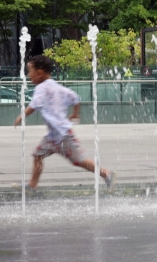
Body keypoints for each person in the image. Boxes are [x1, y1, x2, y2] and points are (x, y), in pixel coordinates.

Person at [14, 55, 115, 192]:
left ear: (39, 73)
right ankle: (32, 185)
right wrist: (75, 113)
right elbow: (75, 97)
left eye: (30, 72)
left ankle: (106, 173)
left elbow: (35, 104)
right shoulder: (57, 87)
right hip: (54, 135)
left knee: (79, 160)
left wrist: (22, 116)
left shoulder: (42, 88)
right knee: (38, 155)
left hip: (62, 134)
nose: (29, 75)